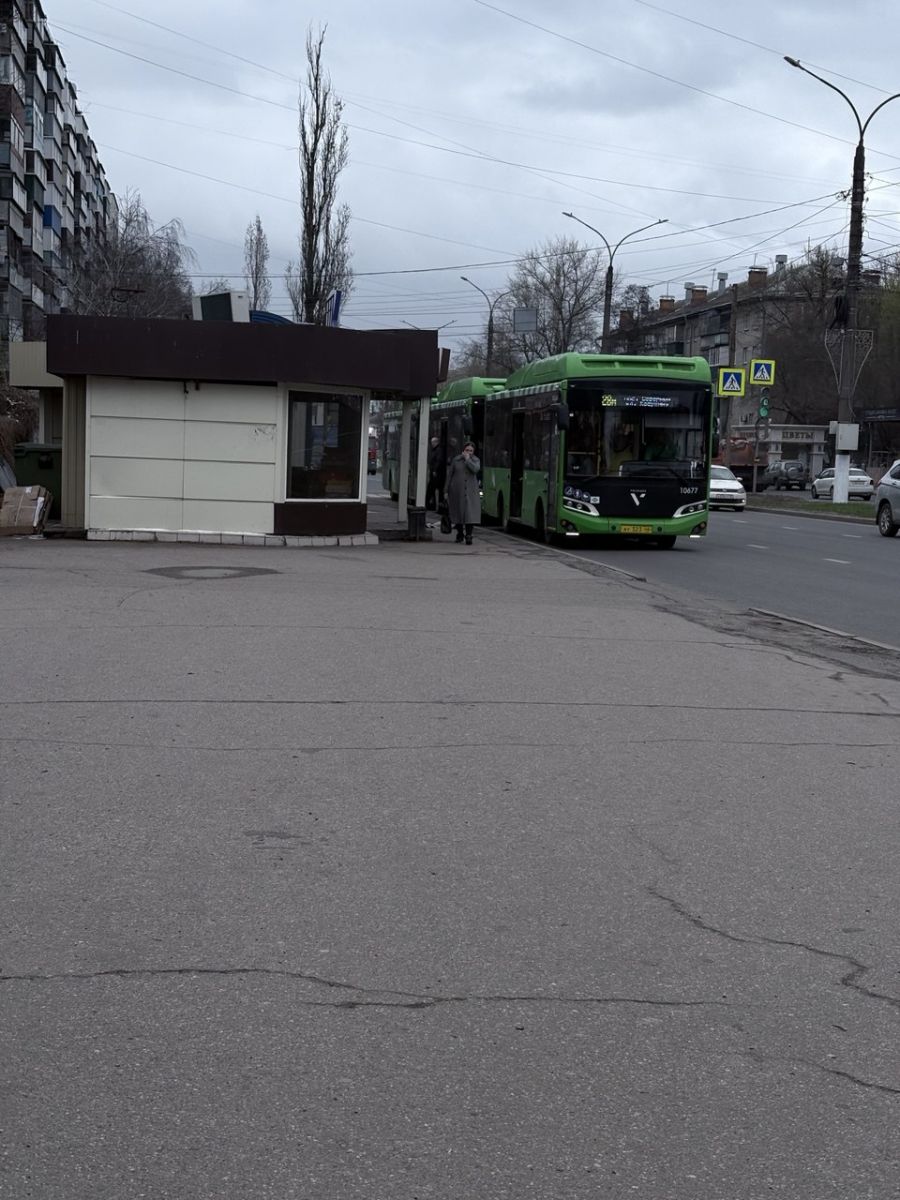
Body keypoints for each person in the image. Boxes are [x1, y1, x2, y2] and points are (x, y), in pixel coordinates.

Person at [445, 440, 481, 545]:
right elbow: (450, 475)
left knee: (470, 514)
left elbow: (475, 469)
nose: (468, 452)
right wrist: (446, 490)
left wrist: (468, 460)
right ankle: (460, 533)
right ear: (463, 450)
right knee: (458, 513)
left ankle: (469, 535)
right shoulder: (456, 460)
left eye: (471, 451)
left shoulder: (475, 460)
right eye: (467, 450)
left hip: (471, 491)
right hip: (457, 491)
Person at [425, 436, 444, 511]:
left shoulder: (438, 450)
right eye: (431, 442)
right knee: (432, 490)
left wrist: (434, 470)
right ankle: (432, 505)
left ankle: (431, 505)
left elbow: (438, 461)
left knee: (431, 489)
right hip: (434, 473)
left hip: (436, 474)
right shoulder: (435, 450)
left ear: (436, 442)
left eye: (433, 442)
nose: (432, 444)